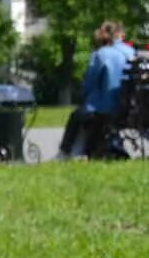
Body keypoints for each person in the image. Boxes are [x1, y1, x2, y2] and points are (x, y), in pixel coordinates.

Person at [56, 21, 134, 159]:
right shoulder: (130, 52)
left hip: (104, 108)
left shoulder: (101, 54)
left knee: (77, 116)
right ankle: (91, 150)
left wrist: (84, 95)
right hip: (128, 107)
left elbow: (89, 84)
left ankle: (66, 152)